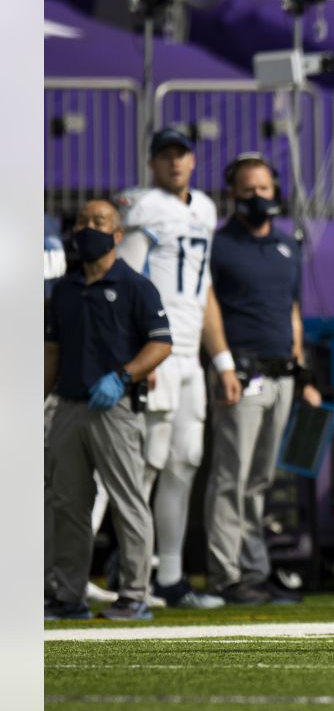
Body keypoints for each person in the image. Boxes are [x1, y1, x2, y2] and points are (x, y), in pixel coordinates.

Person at [44, 199, 173, 621]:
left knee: (127, 500)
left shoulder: (135, 286)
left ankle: (135, 593)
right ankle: (68, 595)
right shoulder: (63, 290)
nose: (87, 227)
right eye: (82, 220)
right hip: (68, 406)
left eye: (98, 221)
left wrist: (123, 375)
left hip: (114, 407)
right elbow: (51, 351)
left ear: (118, 235)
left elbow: (160, 343)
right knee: (68, 504)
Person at [203, 153, 322, 606]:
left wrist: (301, 370)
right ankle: (224, 573)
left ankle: (253, 568)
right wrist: (224, 365)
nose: (257, 197)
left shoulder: (288, 245)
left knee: (260, 479)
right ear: (232, 193)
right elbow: (207, 307)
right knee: (231, 476)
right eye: (248, 189)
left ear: (276, 191)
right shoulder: (220, 245)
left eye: (264, 189)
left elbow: (292, 313)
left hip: (280, 376)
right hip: (243, 371)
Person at [116, 127, 224, 609]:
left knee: (184, 461)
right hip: (157, 350)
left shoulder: (204, 208)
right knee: (144, 464)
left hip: (189, 356)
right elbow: (126, 282)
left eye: (181, 155)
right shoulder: (145, 207)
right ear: (153, 164)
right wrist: (141, 352)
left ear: (193, 161)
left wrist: (222, 360)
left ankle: (172, 577)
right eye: (165, 156)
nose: (175, 163)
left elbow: (204, 290)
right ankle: (129, 570)